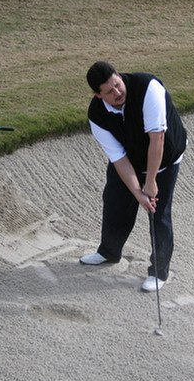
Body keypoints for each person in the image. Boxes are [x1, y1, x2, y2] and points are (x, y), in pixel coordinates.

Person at [79, 61, 187, 292]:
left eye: (117, 85)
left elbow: (156, 139)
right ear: (98, 96)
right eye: (109, 91)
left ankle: (159, 272)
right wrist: (137, 193)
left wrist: (149, 185)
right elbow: (118, 159)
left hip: (165, 158)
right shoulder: (97, 115)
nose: (117, 92)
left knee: (159, 213)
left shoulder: (148, 88)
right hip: (130, 159)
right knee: (115, 203)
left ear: (119, 75)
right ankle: (109, 252)